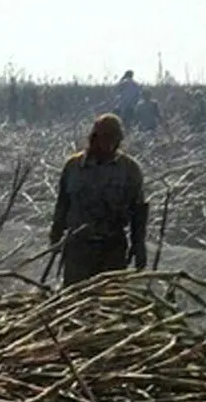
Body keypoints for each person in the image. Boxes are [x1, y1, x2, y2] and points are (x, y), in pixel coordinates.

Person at [50, 114, 147, 288]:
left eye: (114, 139)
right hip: (78, 248)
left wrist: (139, 244)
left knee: (110, 300)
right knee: (74, 300)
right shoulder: (73, 167)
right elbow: (63, 203)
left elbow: (138, 211)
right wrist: (56, 232)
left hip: (112, 248)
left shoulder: (130, 170)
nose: (109, 144)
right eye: (105, 138)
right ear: (94, 138)